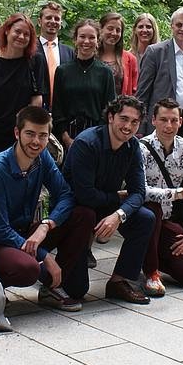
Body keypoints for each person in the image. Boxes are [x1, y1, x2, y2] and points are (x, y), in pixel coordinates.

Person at [0, 106, 94, 311]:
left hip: (29, 231)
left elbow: (66, 195)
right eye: (30, 134)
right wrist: (44, 256)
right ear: (17, 133)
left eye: (43, 136)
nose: (36, 142)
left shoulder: (43, 158)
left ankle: (52, 286)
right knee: (28, 268)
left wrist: (46, 225)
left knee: (83, 215)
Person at [64, 95, 154, 305]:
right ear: (111, 117)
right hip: (78, 210)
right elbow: (84, 194)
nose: (128, 126)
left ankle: (119, 281)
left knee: (145, 218)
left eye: (134, 122)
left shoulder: (133, 147)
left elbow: (139, 192)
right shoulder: (86, 143)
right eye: (124, 118)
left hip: (107, 206)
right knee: (77, 290)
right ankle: (61, 269)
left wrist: (118, 215)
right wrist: (116, 199)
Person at [140, 99, 183, 294]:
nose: (168, 126)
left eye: (173, 120)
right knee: (153, 209)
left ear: (181, 122)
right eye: (163, 120)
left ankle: (150, 257)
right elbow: (141, 190)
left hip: (170, 221)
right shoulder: (140, 148)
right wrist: (178, 193)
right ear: (153, 120)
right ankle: (151, 271)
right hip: (143, 217)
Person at [136, 7, 183, 142]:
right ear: (172, 26)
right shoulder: (155, 52)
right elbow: (143, 94)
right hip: (163, 123)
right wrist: (140, 127)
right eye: (179, 24)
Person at [0, 13, 42, 158]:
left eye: (26, 34)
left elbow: (37, 99)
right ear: (7, 31)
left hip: (22, 135)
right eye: (18, 32)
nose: (21, 37)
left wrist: (26, 129)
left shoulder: (35, 62)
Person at [52, 19, 116, 150]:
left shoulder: (105, 72)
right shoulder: (62, 71)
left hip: (97, 137)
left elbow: (110, 109)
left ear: (98, 41)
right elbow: (57, 108)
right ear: (75, 39)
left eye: (91, 37)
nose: (86, 41)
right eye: (82, 36)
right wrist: (66, 138)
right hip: (67, 136)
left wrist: (96, 137)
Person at [34, 1, 73, 111]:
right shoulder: (30, 50)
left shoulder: (69, 52)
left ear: (61, 23)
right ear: (39, 21)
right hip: (37, 112)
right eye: (48, 18)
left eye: (56, 18)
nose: (52, 21)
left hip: (63, 112)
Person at [97, 11, 139, 95]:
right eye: (110, 28)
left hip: (119, 107)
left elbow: (135, 91)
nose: (114, 33)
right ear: (100, 29)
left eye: (118, 30)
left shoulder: (130, 59)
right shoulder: (91, 55)